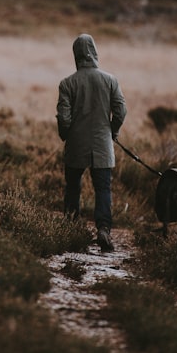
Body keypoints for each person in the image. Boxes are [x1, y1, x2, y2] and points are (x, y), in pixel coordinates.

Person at [56, 33, 127, 252]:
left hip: (76, 145)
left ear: (76, 54)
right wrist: (112, 131)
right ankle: (103, 229)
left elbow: (64, 118)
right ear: (95, 52)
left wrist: (65, 135)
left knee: (73, 188)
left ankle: (71, 226)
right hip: (102, 144)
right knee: (103, 189)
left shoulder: (67, 83)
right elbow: (121, 111)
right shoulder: (110, 80)